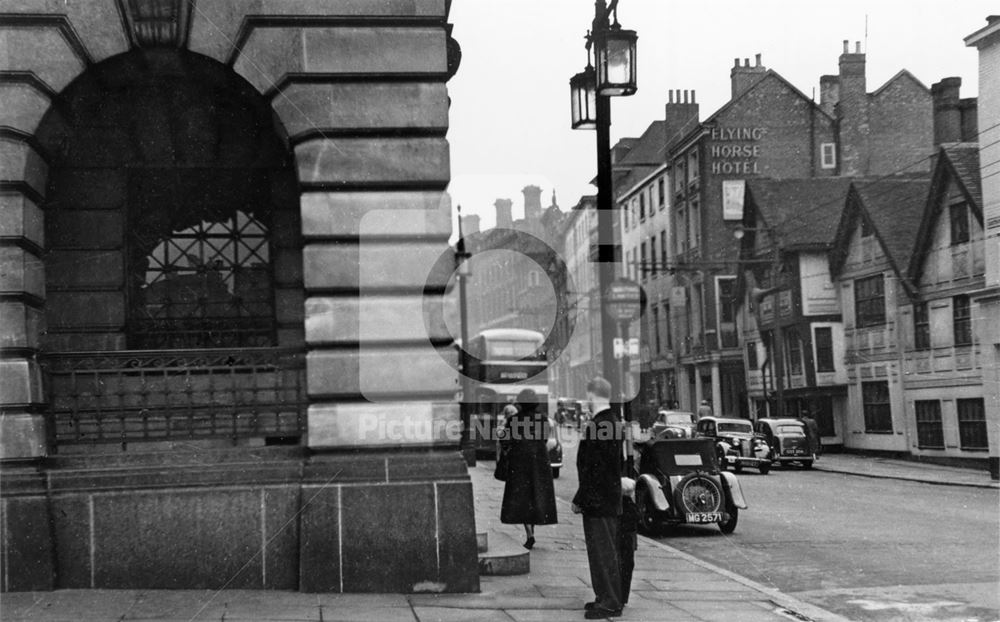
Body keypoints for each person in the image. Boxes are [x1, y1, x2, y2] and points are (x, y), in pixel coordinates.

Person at [573, 377, 623, 619]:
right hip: (603, 498)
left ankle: (611, 601)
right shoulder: (608, 422)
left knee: (603, 552)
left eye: (587, 395)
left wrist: (580, 497)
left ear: (593, 395)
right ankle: (603, 596)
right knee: (599, 552)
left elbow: (595, 468)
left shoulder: (602, 424)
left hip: (599, 499)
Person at [500, 388, 557, 550]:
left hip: (520, 461)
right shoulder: (543, 419)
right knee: (536, 495)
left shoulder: (514, 419)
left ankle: (529, 533)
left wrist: (509, 451)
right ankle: (533, 528)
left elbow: (505, 440)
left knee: (522, 497)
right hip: (539, 461)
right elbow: (545, 438)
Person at [618, 476, 638, 607]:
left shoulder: (620, 507)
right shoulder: (633, 507)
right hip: (629, 542)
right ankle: (624, 597)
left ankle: (619, 596)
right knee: (627, 569)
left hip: (620, 541)